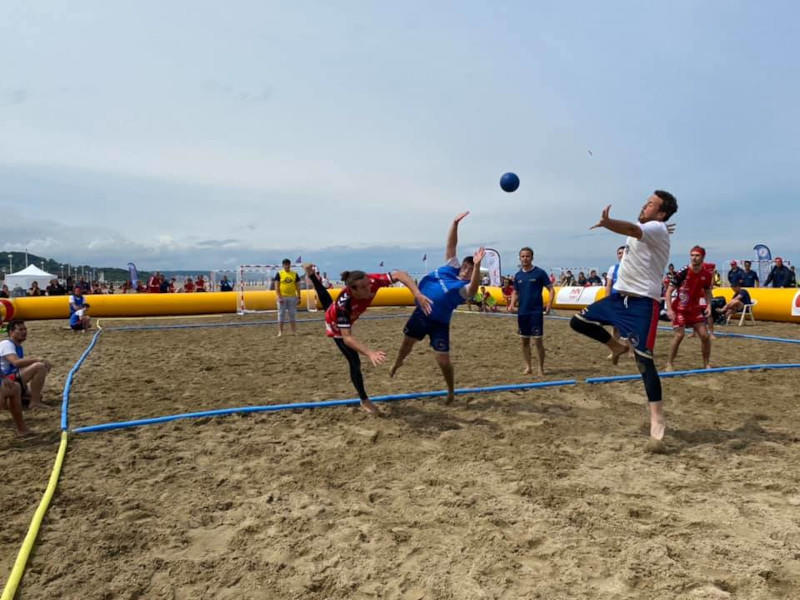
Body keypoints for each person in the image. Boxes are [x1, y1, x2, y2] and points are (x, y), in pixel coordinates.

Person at [570, 190, 678, 441]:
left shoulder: (656, 228)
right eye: (646, 202)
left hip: (643, 304)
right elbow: (638, 230)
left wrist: (608, 223)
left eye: (651, 204)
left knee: (644, 362)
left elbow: (631, 229)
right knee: (578, 322)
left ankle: (657, 418)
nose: (644, 205)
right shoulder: (654, 227)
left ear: (661, 213)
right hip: (619, 299)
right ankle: (616, 346)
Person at [304, 263, 432, 415]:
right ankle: (364, 400)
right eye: (364, 288)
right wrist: (370, 353)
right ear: (353, 290)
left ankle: (311, 275)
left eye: (368, 284)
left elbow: (400, 274)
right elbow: (347, 338)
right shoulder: (344, 307)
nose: (369, 288)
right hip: (335, 325)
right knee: (354, 361)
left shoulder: (371, 281)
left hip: (339, 311)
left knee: (328, 304)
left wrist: (417, 293)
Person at [389, 212, 484, 404]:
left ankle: (450, 391)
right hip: (421, 314)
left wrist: (477, 265)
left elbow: (474, 288)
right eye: (466, 266)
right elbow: (451, 246)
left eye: (470, 269)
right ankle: (398, 362)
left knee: (443, 361)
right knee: (406, 345)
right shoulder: (451, 267)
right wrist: (455, 224)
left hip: (439, 323)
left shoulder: (463, 287)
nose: (466, 269)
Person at [664, 247, 713, 371]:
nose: (694, 258)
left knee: (705, 336)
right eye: (692, 255)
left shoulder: (707, 274)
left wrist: (708, 305)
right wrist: (669, 309)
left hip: (694, 309)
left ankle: (706, 364)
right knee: (679, 335)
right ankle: (669, 363)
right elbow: (668, 291)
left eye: (697, 255)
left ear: (703, 257)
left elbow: (708, 291)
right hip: (679, 309)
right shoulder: (683, 271)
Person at [509, 246, 554, 377]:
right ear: (519, 258)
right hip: (522, 312)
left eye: (527, 256)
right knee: (524, 341)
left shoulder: (540, 273)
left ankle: (541, 368)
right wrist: (512, 304)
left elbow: (551, 289)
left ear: (532, 258)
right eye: (523, 256)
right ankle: (528, 367)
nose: (525, 258)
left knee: (538, 341)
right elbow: (515, 291)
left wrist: (549, 304)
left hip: (536, 312)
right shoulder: (518, 275)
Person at [0, 320, 53, 411]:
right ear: (11, 332)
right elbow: (16, 362)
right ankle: (35, 403)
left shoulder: (17, 346)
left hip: (10, 378)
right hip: (5, 379)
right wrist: (37, 360)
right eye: (20, 330)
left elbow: (18, 366)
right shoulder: (7, 344)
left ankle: (11, 401)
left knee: (37, 395)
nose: (24, 332)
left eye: (25, 329)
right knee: (39, 366)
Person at [274, 258, 302, 337]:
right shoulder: (279, 274)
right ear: (283, 265)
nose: (287, 266)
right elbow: (276, 287)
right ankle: (280, 332)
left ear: (290, 265)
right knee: (281, 314)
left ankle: (294, 331)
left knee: (292, 314)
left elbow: (298, 287)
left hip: (292, 297)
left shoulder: (295, 274)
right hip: (282, 297)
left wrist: (299, 297)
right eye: (285, 264)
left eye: (288, 264)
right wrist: (279, 297)